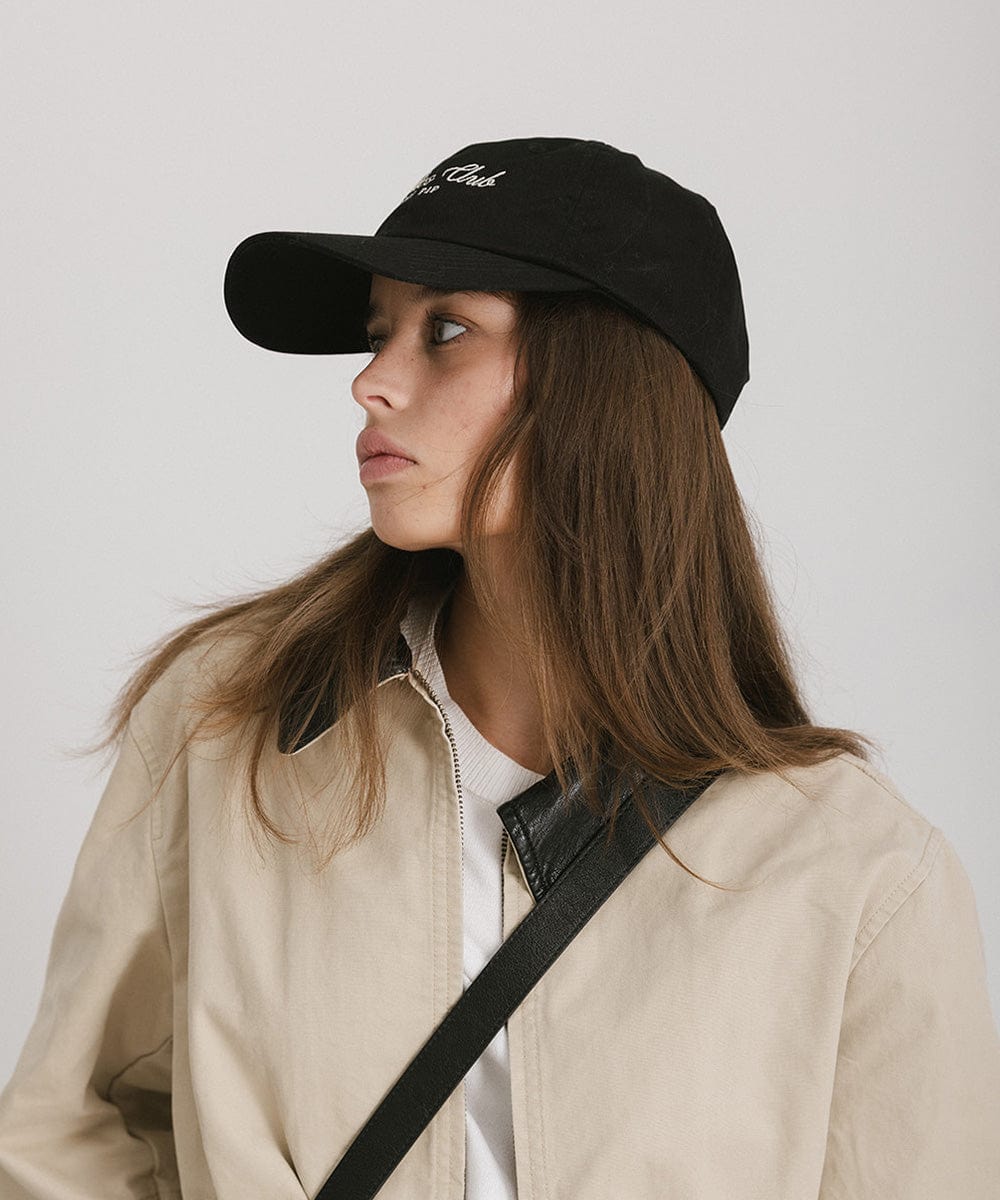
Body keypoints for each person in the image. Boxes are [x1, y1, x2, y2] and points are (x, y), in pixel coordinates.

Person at [0, 136, 998, 1199]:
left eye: (444, 331)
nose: (370, 382)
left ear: (603, 385)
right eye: (381, 333)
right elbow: (70, 1134)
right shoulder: (229, 724)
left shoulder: (858, 876)